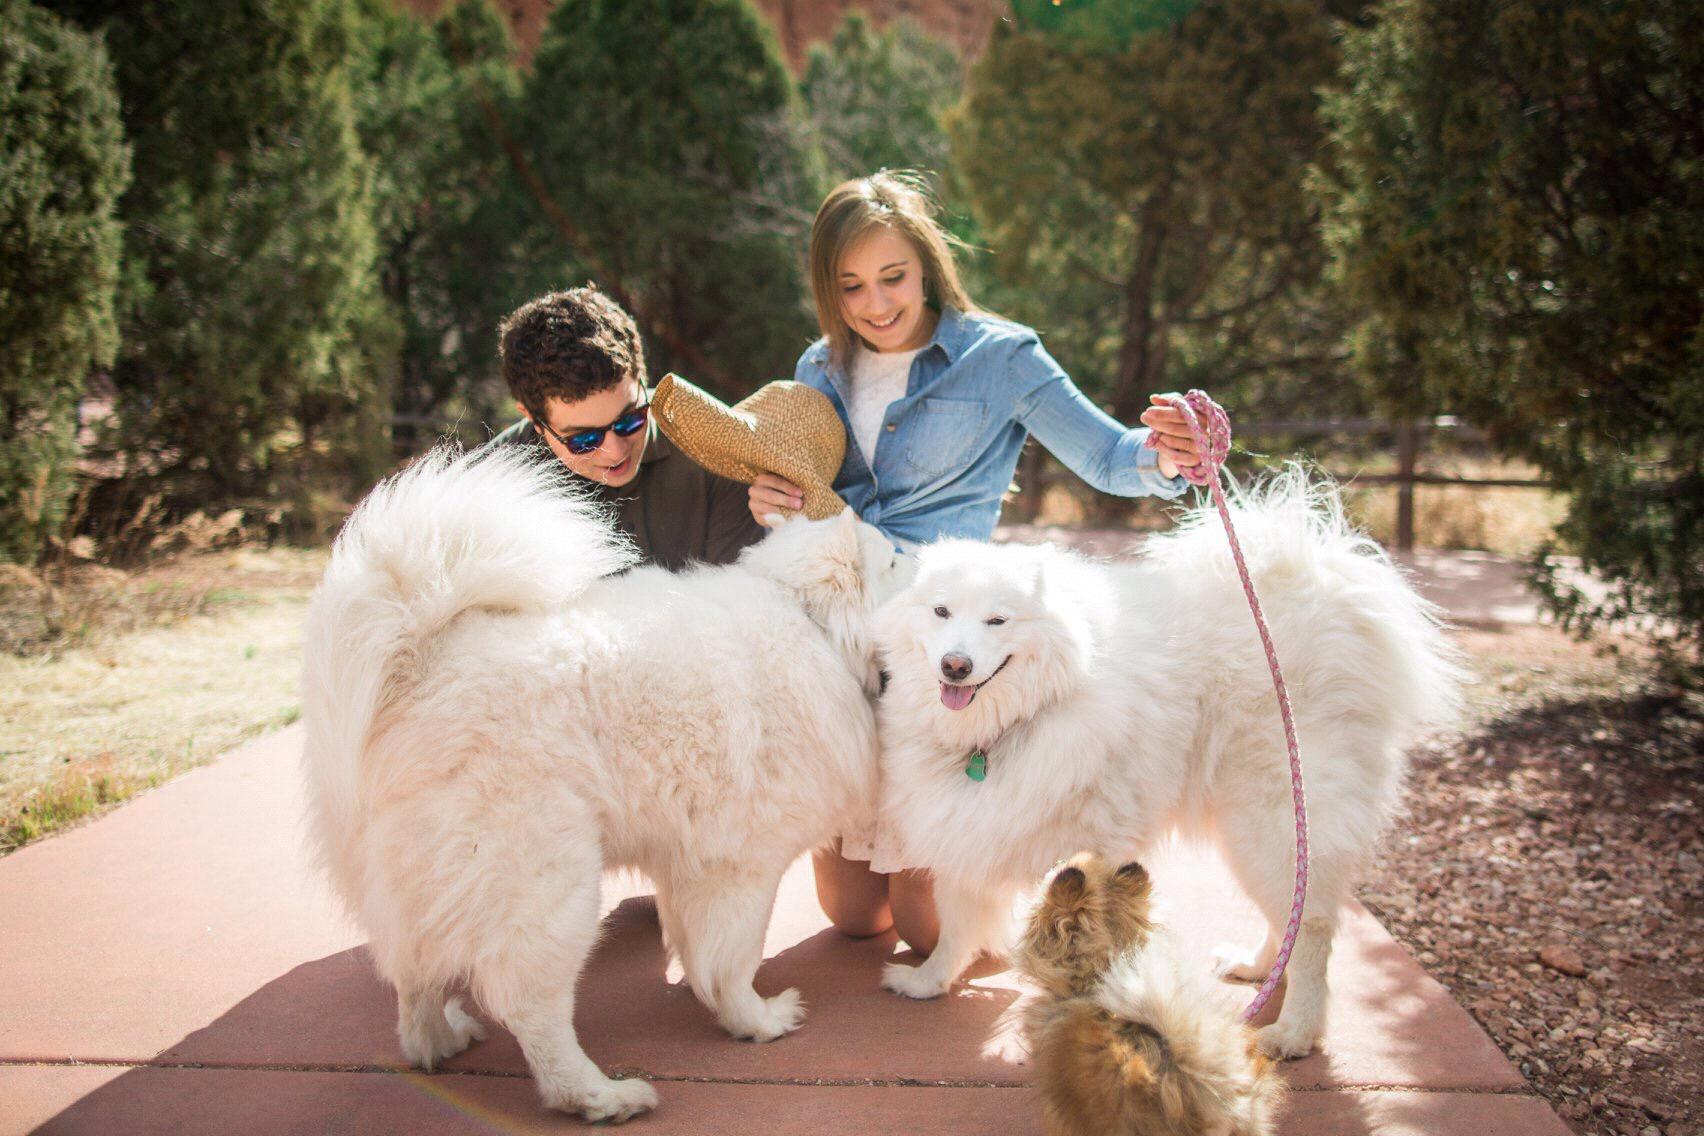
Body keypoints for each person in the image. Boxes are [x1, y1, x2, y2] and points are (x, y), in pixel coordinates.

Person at [746, 172, 1207, 955]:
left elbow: (1106, 455)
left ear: (926, 263)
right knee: (854, 919)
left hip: (937, 641)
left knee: (930, 935)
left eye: (893, 277)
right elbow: (811, 489)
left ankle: (1007, 880)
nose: (877, 304)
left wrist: (1170, 454)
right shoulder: (817, 368)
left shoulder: (1001, 357)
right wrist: (774, 500)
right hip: (841, 634)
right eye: (851, 286)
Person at [485, 286, 765, 570]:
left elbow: (736, 601)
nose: (615, 451)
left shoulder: (718, 447)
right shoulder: (492, 486)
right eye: (585, 439)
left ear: (643, 380)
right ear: (533, 420)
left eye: (630, 419)